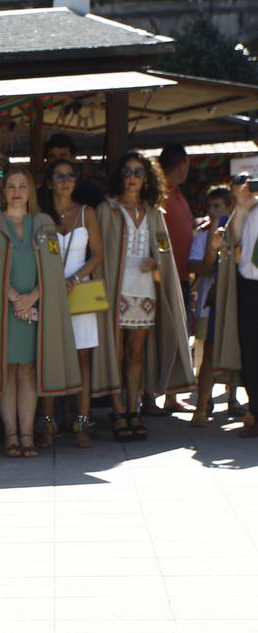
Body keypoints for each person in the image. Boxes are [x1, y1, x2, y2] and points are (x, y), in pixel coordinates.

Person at [0, 165, 81, 457]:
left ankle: (28, 434)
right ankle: (11, 436)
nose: (16, 192)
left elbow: (53, 269)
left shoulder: (43, 224)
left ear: (30, 191)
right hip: (3, 308)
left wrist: (33, 297)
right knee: (6, 370)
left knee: (28, 370)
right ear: (3, 192)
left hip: (35, 306)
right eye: (11, 187)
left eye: (22, 186)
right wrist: (16, 298)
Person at [97, 152, 195, 441]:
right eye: (127, 171)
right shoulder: (107, 210)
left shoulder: (155, 213)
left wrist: (156, 262)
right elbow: (100, 255)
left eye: (138, 172)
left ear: (147, 178)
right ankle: (117, 410)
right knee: (115, 351)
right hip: (115, 287)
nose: (132, 178)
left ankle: (133, 409)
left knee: (135, 352)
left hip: (144, 289)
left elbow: (164, 254)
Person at [40, 156, 106, 449]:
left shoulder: (86, 213)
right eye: (59, 176)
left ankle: (81, 423)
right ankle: (48, 425)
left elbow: (98, 254)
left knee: (82, 360)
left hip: (79, 292)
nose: (65, 181)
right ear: (49, 182)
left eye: (70, 176)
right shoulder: (40, 216)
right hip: (48, 294)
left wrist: (75, 279)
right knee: (49, 357)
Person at [213, 175, 258, 436]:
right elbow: (233, 241)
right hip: (250, 286)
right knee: (251, 352)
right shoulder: (248, 208)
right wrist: (241, 206)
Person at [189, 185, 233, 426]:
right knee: (207, 355)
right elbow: (204, 267)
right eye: (210, 207)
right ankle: (201, 406)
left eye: (219, 207)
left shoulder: (240, 229)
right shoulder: (203, 234)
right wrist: (213, 241)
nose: (213, 211)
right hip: (209, 303)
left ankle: (235, 400)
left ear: (231, 207)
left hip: (233, 301)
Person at [159, 143, 194, 414]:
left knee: (179, 334)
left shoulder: (178, 195)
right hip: (164, 277)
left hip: (182, 275)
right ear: (182, 164)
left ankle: (171, 396)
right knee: (160, 336)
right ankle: (150, 397)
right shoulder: (161, 195)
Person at [42, 132, 106, 209]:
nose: (58, 161)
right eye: (53, 157)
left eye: (63, 156)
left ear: (72, 158)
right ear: (47, 160)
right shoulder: (39, 196)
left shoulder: (92, 193)